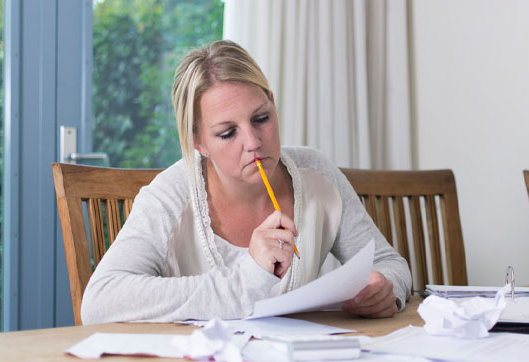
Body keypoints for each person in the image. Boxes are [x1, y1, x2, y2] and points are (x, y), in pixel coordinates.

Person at [81, 40, 412, 324]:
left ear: (272, 102)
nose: (253, 142)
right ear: (198, 142)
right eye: (227, 133)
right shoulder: (170, 195)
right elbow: (100, 300)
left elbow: (389, 264)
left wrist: (385, 289)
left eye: (261, 118)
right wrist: (247, 280)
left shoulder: (317, 174)